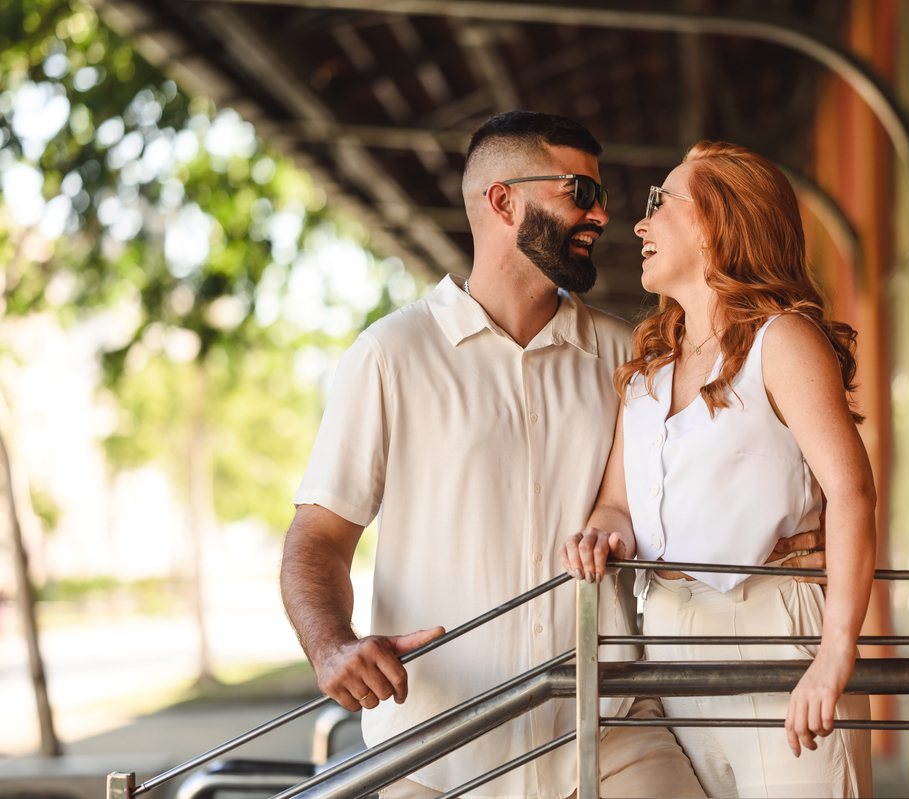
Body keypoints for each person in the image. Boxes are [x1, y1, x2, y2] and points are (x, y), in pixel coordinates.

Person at [280, 114, 825, 799]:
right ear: (504, 201)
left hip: (611, 733)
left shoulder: (634, 356)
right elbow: (319, 536)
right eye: (580, 191)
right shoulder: (389, 356)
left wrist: (794, 538)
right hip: (435, 753)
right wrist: (331, 644)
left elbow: (732, 457)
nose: (602, 214)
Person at [559, 141, 875, 798]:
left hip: (774, 636)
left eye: (660, 203)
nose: (640, 225)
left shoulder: (782, 341)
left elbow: (852, 491)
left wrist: (834, 651)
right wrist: (601, 532)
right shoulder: (647, 373)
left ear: (716, 222)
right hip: (670, 640)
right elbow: (617, 503)